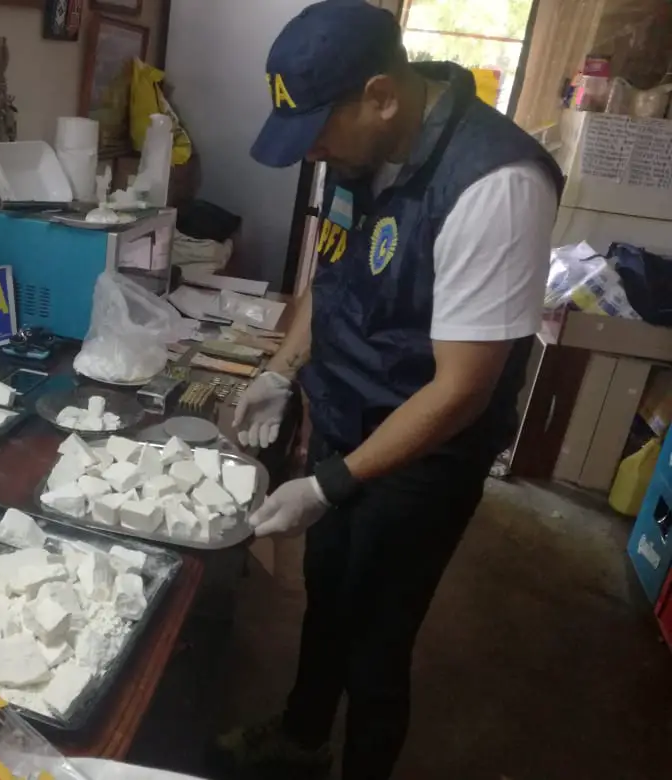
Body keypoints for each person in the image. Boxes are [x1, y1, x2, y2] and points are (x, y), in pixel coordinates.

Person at [214, 2, 562, 779]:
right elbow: (333, 272)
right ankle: (303, 737)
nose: (314, 151)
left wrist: (329, 485)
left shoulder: (496, 186)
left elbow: (463, 390)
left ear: (380, 96)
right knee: (328, 594)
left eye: (319, 131)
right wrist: (280, 371)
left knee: (377, 643)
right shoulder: (360, 154)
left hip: (425, 452)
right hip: (346, 419)